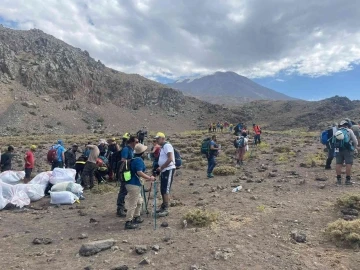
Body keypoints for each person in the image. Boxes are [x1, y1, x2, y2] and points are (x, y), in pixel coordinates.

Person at [124, 143, 155, 229]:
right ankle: (128, 222)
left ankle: (136, 216)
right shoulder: (138, 160)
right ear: (142, 152)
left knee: (139, 201)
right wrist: (149, 178)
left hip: (131, 183)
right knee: (133, 203)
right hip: (134, 184)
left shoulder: (133, 159)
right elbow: (139, 172)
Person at [155, 132, 176, 217]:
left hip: (168, 169)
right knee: (163, 188)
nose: (156, 140)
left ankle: (166, 208)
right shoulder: (163, 147)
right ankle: (163, 206)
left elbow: (170, 158)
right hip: (164, 170)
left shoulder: (167, 146)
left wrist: (162, 167)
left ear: (163, 138)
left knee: (166, 188)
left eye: (158, 138)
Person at [117, 135, 138, 217]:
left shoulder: (132, 150)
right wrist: (132, 160)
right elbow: (123, 160)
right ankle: (120, 208)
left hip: (129, 172)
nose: (137, 143)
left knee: (126, 190)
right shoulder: (126, 149)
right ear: (132, 142)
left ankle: (123, 206)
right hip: (125, 172)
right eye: (136, 142)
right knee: (123, 190)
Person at [335, 120, 358, 185]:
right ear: (347, 125)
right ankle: (347, 180)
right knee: (348, 164)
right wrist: (354, 148)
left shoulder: (337, 131)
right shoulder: (349, 131)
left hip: (338, 149)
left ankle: (338, 180)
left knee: (338, 164)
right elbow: (355, 141)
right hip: (348, 150)